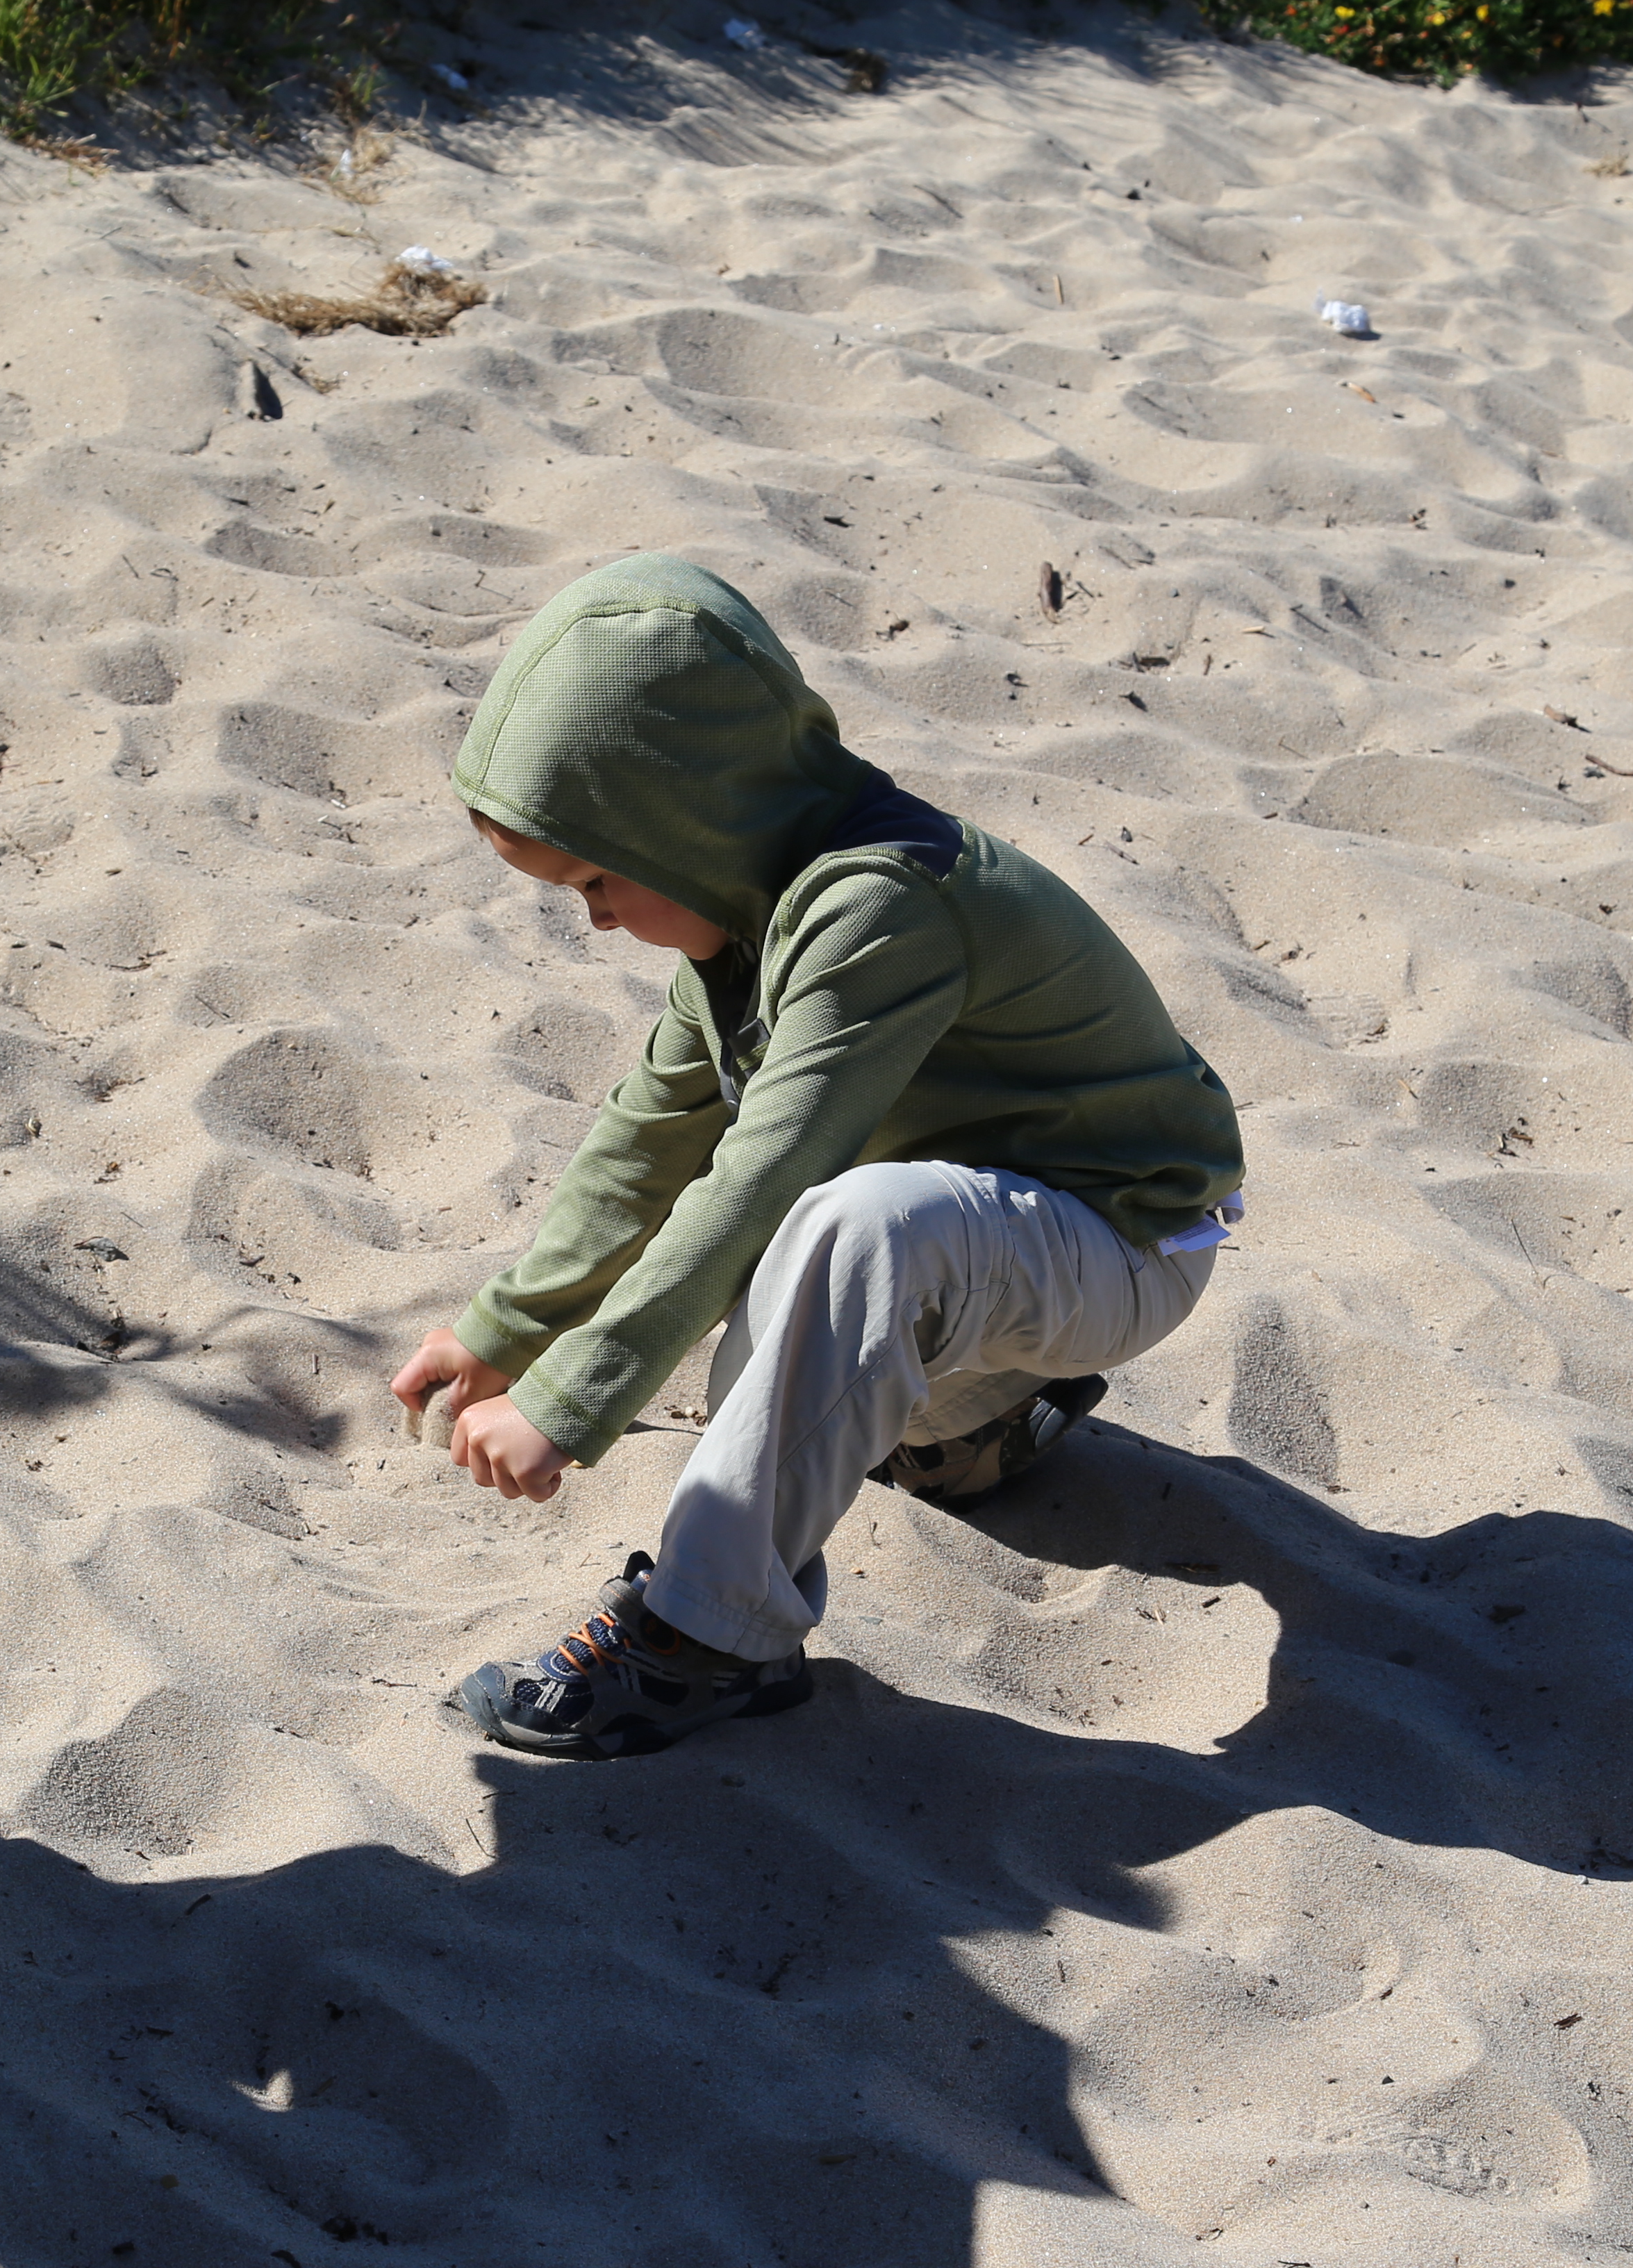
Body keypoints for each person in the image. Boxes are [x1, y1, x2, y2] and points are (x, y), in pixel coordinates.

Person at [390, 554, 1247, 1760]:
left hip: (1128, 1236)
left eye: (598, 877)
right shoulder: (745, 918)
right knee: (815, 1248)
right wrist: (504, 1332)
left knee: (839, 1228)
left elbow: (760, 1177)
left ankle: (709, 1639)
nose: (592, 918)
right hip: (996, 1229)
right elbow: (646, 1144)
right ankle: (972, 1426)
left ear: (690, 822)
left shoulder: (875, 908)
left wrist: (574, 1402)